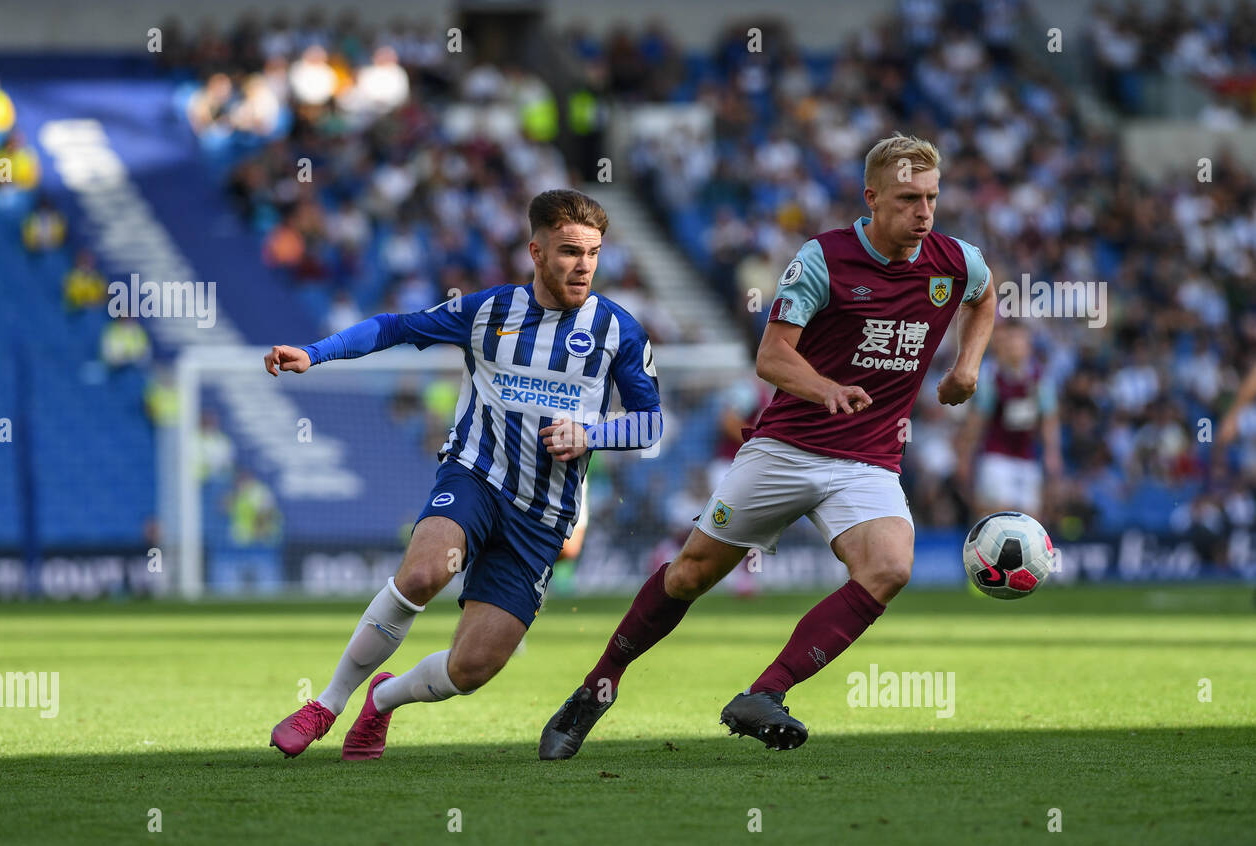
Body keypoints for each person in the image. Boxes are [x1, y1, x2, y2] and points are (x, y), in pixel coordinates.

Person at [540, 132, 996, 758]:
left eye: (931, 199)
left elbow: (986, 292)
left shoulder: (953, 260)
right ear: (872, 198)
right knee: (690, 575)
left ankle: (766, 693)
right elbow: (772, 356)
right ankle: (596, 686)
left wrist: (967, 365)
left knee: (889, 568)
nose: (923, 213)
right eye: (907, 199)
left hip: (867, 460)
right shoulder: (823, 261)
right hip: (788, 446)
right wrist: (825, 388)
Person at [266, 189, 662, 760]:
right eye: (570, 251)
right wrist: (316, 352)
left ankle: (383, 699)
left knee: (472, 668)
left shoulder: (618, 331)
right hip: (476, 476)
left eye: (594, 253)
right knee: (425, 571)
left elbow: (650, 425)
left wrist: (592, 434)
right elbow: (395, 327)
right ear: (536, 250)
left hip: (543, 516)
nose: (584, 266)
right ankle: (326, 704)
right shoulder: (487, 313)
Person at [955, 320, 1061, 521]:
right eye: (1010, 341)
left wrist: (1052, 454)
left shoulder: (1040, 378)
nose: (1015, 346)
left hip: (1027, 458)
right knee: (997, 516)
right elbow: (977, 421)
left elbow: (1049, 419)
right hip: (996, 456)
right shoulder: (991, 376)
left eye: (1019, 341)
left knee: (1031, 520)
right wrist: (965, 456)